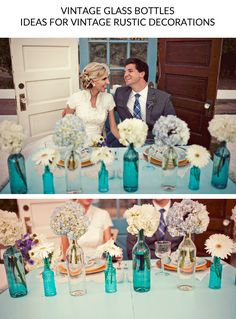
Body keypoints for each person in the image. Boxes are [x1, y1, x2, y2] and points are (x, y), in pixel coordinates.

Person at [114, 58, 176, 139]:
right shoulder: (120, 93)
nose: (125, 75)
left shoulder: (163, 98)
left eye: (130, 71)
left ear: (142, 74)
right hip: (127, 140)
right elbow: (106, 108)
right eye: (125, 72)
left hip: (153, 141)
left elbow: (172, 126)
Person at [62, 62, 120, 144]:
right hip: (77, 144)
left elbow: (113, 129)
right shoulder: (76, 98)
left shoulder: (108, 98)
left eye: (107, 78)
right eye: (104, 79)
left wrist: (128, 145)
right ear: (93, 81)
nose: (108, 82)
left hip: (98, 144)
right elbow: (66, 127)